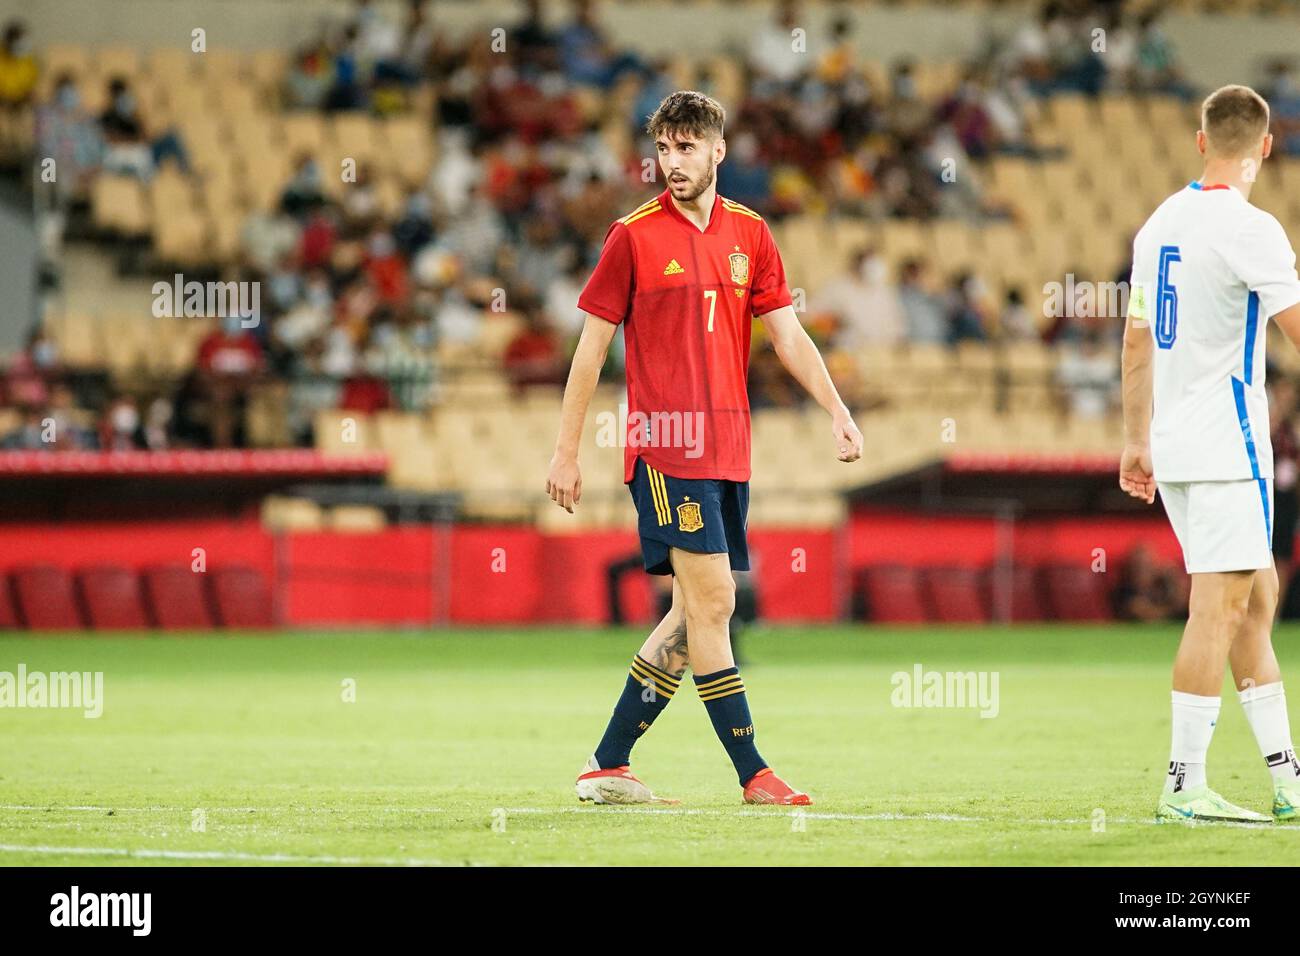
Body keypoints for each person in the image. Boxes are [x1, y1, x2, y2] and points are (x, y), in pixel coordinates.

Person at [546, 91, 862, 806]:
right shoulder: (631, 236)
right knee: (715, 601)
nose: (672, 163)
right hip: (665, 447)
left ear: (719, 150)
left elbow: (787, 335)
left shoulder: (752, 234)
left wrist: (837, 410)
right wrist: (567, 452)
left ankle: (607, 762)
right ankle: (754, 775)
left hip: (729, 450)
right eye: (663, 149)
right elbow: (590, 351)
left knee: (694, 615)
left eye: (686, 148)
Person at [1120, 85, 1300, 823]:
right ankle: (1183, 782)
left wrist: (1135, 439)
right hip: (1230, 444)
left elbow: (1135, 341)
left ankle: (1287, 778)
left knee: (1256, 600)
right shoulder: (1253, 229)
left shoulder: (1159, 223)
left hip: (1176, 444)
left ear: (1202, 142)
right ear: (1265, 146)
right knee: (1220, 609)